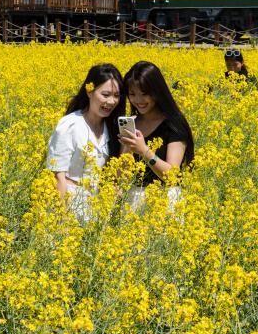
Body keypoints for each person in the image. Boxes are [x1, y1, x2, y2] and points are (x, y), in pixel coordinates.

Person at [46, 64, 125, 223]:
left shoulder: (111, 127)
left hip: (96, 207)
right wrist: (61, 219)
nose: (111, 101)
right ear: (89, 91)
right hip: (68, 204)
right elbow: (57, 176)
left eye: (116, 95)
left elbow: (115, 177)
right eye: (105, 94)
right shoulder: (70, 125)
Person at [120, 61, 195, 212]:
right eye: (132, 94)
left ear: (157, 92)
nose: (138, 101)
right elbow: (121, 173)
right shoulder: (131, 123)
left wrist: (144, 151)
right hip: (133, 200)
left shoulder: (174, 124)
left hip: (164, 201)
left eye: (144, 94)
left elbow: (172, 176)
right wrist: (126, 148)